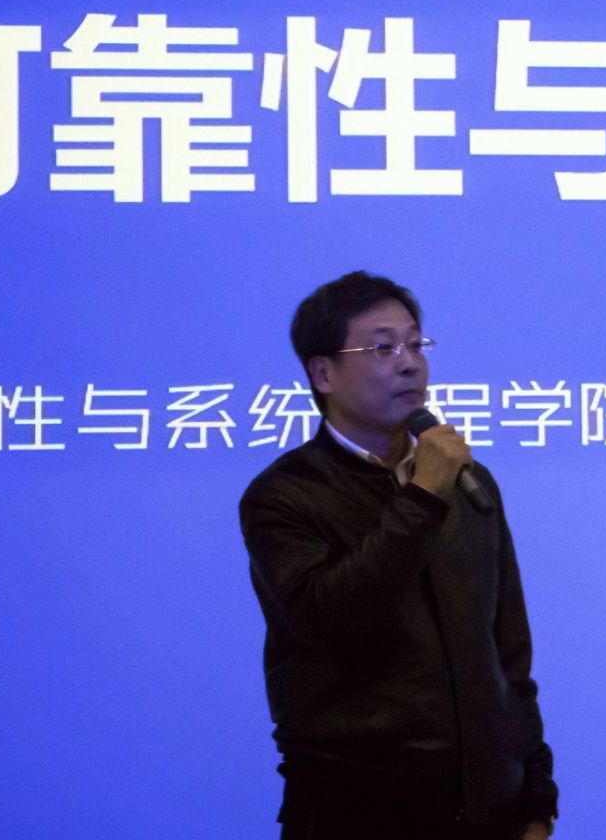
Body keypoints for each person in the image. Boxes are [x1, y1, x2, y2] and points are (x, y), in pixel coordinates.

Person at [240, 271, 557, 839]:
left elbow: (508, 652)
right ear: (323, 373)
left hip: (490, 817)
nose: (410, 364)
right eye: (383, 348)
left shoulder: (467, 481)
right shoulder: (282, 497)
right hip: (354, 817)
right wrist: (422, 497)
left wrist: (536, 800)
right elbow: (331, 619)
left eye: (416, 344)